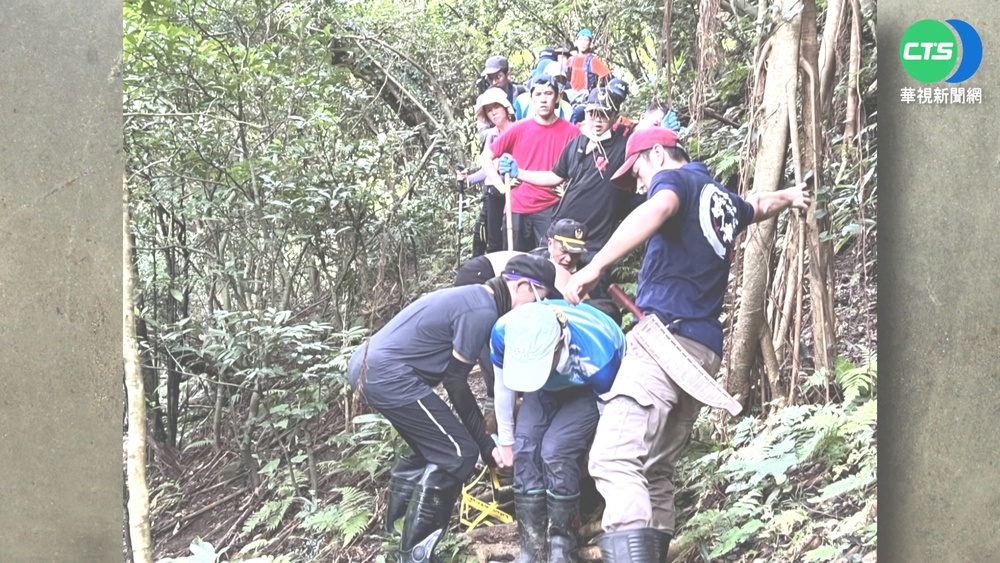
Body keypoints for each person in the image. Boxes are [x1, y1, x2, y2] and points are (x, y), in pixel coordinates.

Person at [561, 128, 811, 562]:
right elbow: (760, 205)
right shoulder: (720, 198)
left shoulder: (674, 181)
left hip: (663, 342)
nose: (639, 184)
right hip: (701, 352)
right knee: (655, 469)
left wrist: (595, 265)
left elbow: (659, 206)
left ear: (657, 153)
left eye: (637, 171)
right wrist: (790, 196)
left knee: (613, 458)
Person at [348, 254, 557, 562]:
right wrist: (486, 447)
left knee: (429, 448)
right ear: (524, 286)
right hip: (388, 373)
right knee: (457, 452)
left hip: (367, 366)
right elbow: (456, 383)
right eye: (540, 298)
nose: (538, 308)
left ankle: (395, 535)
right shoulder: (481, 310)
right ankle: (416, 555)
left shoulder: (475, 299)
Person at [491, 300, 626, 563]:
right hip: (543, 386)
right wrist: (506, 441)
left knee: (556, 449)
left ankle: (561, 548)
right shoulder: (504, 332)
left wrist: (599, 455)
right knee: (526, 446)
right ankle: (532, 548)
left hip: (589, 388)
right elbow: (503, 388)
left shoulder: (598, 352)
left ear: (561, 341)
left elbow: (610, 413)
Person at [499, 86, 633, 256]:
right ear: (586, 114)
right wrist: (519, 173)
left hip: (594, 240)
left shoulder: (622, 146)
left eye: (604, 115)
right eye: (593, 114)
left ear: (614, 118)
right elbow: (554, 176)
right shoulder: (577, 143)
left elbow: (646, 132)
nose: (597, 121)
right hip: (561, 231)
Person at [479, 74, 580, 252]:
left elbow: (581, 170)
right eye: (538, 94)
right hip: (516, 207)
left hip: (552, 208)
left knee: (547, 264)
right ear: (531, 98)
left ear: (557, 97)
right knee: (516, 265)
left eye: (548, 93)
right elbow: (486, 157)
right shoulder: (519, 128)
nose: (543, 100)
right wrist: (502, 186)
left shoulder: (572, 132)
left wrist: (569, 190)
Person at [460, 88, 517, 255]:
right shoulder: (492, 136)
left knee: (512, 236)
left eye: (496, 108)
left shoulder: (519, 129)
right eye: (489, 110)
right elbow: (487, 166)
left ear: (505, 108)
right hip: (493, 193)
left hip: (514, 191)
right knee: (492, 241)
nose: (493, 113)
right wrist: (468, 179)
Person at [566, 28, 613, 124]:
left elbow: (608, 76)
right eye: (581, 40)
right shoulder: (570, 60)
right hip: (570, 97)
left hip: (585, 99)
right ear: (576, 42)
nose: (583, 43)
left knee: (575, 116)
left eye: (586, 40)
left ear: (590, 44)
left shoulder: (593, 60)